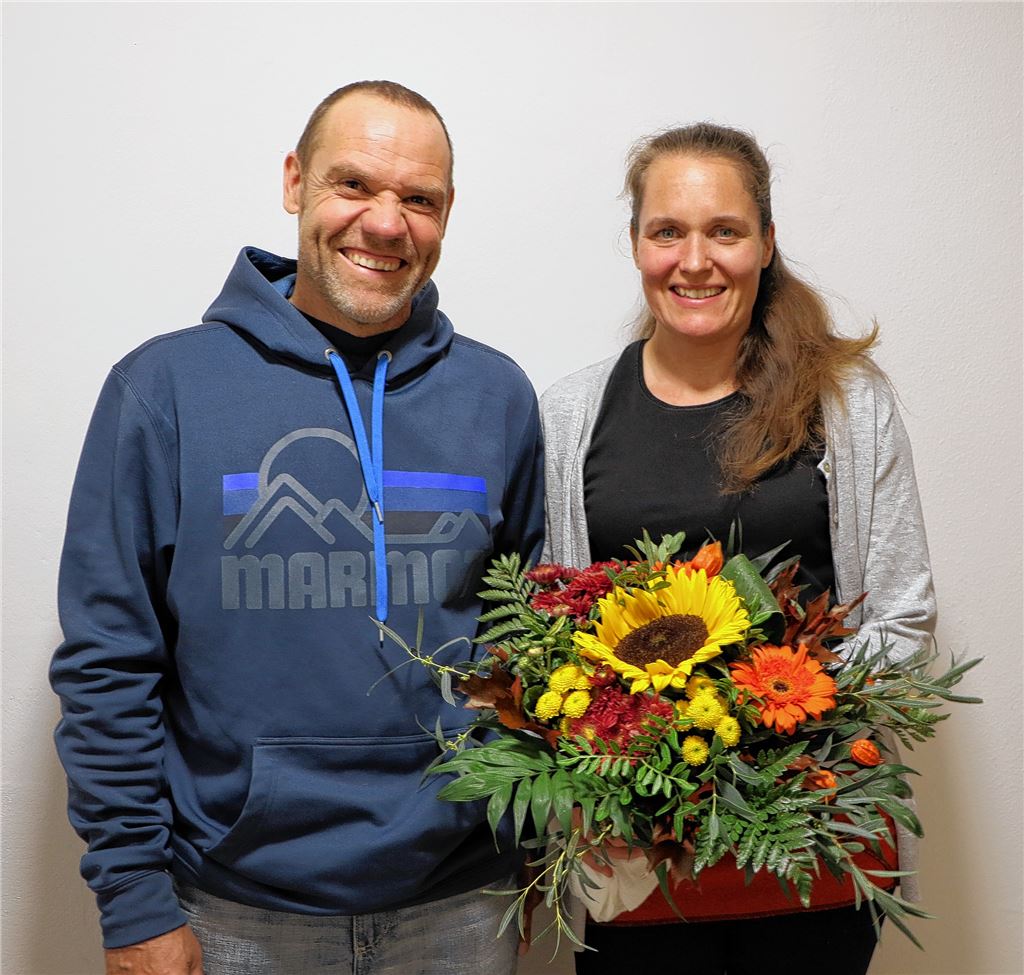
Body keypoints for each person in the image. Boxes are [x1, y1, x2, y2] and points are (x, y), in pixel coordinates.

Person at [51, 80, 544, 975]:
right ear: (294, 182)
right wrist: (132, 902)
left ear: (446, 213)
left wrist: (534, 842)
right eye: (353, 184)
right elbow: (107, 661)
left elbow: (528, 647)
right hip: (233, 909)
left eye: (419, 199)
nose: (385, 223)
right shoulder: (163, 389)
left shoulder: (497, 396)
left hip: (463, 904)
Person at [540, 123, 935, 974]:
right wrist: (643, 750)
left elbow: (903, 615)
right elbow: (551, 637)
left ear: (766, 242)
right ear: (636, 243)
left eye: (724, 230)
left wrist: (764, 726)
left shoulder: (848, 403)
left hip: (813, 837)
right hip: (637, 853)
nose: (695, 260)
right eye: (667, 231)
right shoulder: (571, 415)